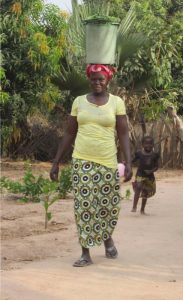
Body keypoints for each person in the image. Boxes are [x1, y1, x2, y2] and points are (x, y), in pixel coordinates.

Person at [50, 64, 132, 266]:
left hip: (107, 161)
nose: (97, 82)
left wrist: (128, 162)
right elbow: (70, 132)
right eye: (94, 79)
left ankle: (107, 238)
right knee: (84, 206)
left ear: (108, 80)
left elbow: (123, 133)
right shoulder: (78, 102)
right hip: (82, 160)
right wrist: (56, 161)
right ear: (89, 80)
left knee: (107, 206)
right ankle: (85, 252)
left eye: (101, 79)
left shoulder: (116, 102)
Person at [131, 136, 159, 214]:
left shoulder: (155, 155)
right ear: (142, 144)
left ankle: (142, 210)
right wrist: (127, 162)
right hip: (140, 173)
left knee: (145, 192)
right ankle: (134, 206)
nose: (148, 145)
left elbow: (157, 167)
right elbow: (133, 160)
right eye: (146, 143)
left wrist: (151, 171)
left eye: (150, 143)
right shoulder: (139, 153)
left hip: (149, 176)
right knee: (138, 187)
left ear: (153, 145)